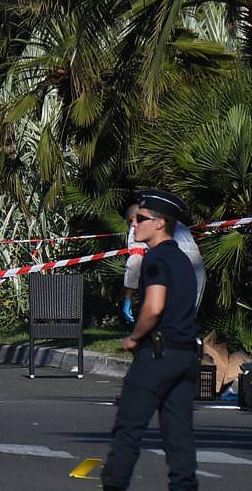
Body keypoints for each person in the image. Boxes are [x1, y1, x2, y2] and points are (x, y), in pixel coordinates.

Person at [102, 189, 199, 491]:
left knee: (128, 429)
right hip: (186, 355)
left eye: (141, 219)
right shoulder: (183, 261)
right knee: (179, 436)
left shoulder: (155, 258)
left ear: (160, 223)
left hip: (158, 354)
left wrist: (134, 336)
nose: (134, 224)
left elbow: (154, 306)